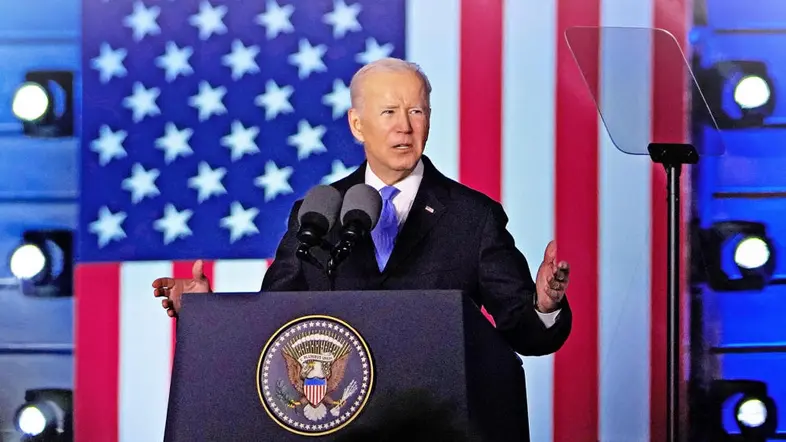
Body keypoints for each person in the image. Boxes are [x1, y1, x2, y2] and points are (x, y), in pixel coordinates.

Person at [152, 57, 571, 436]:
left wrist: (545, 305)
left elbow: (526, 333)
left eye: (416, 111)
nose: (404, 126)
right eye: (389, 112)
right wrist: (209, 313)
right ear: (357, 124)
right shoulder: (316, 213)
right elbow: (273, 324)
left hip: (436, 426)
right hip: (336, 428)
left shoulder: (472, 216)